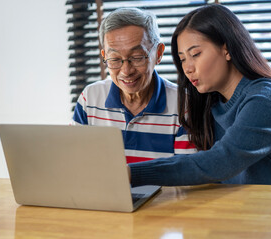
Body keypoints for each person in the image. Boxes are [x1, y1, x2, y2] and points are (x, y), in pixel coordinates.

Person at [129, 4, 271, 186]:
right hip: (249, 210)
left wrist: (130, 174)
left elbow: (218, 162)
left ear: (226, 49)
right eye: (182, 59)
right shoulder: (211, 102)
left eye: (195, 54)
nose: (187, 68)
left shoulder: (266, 99)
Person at [73, 8, 197, 163]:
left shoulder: (184, 104)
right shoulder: (89, 99)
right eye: (115, 59)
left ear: (158, 53)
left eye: (137, 57)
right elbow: (77, 163)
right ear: (104, 56)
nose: (126, 71)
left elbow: (186, 177)